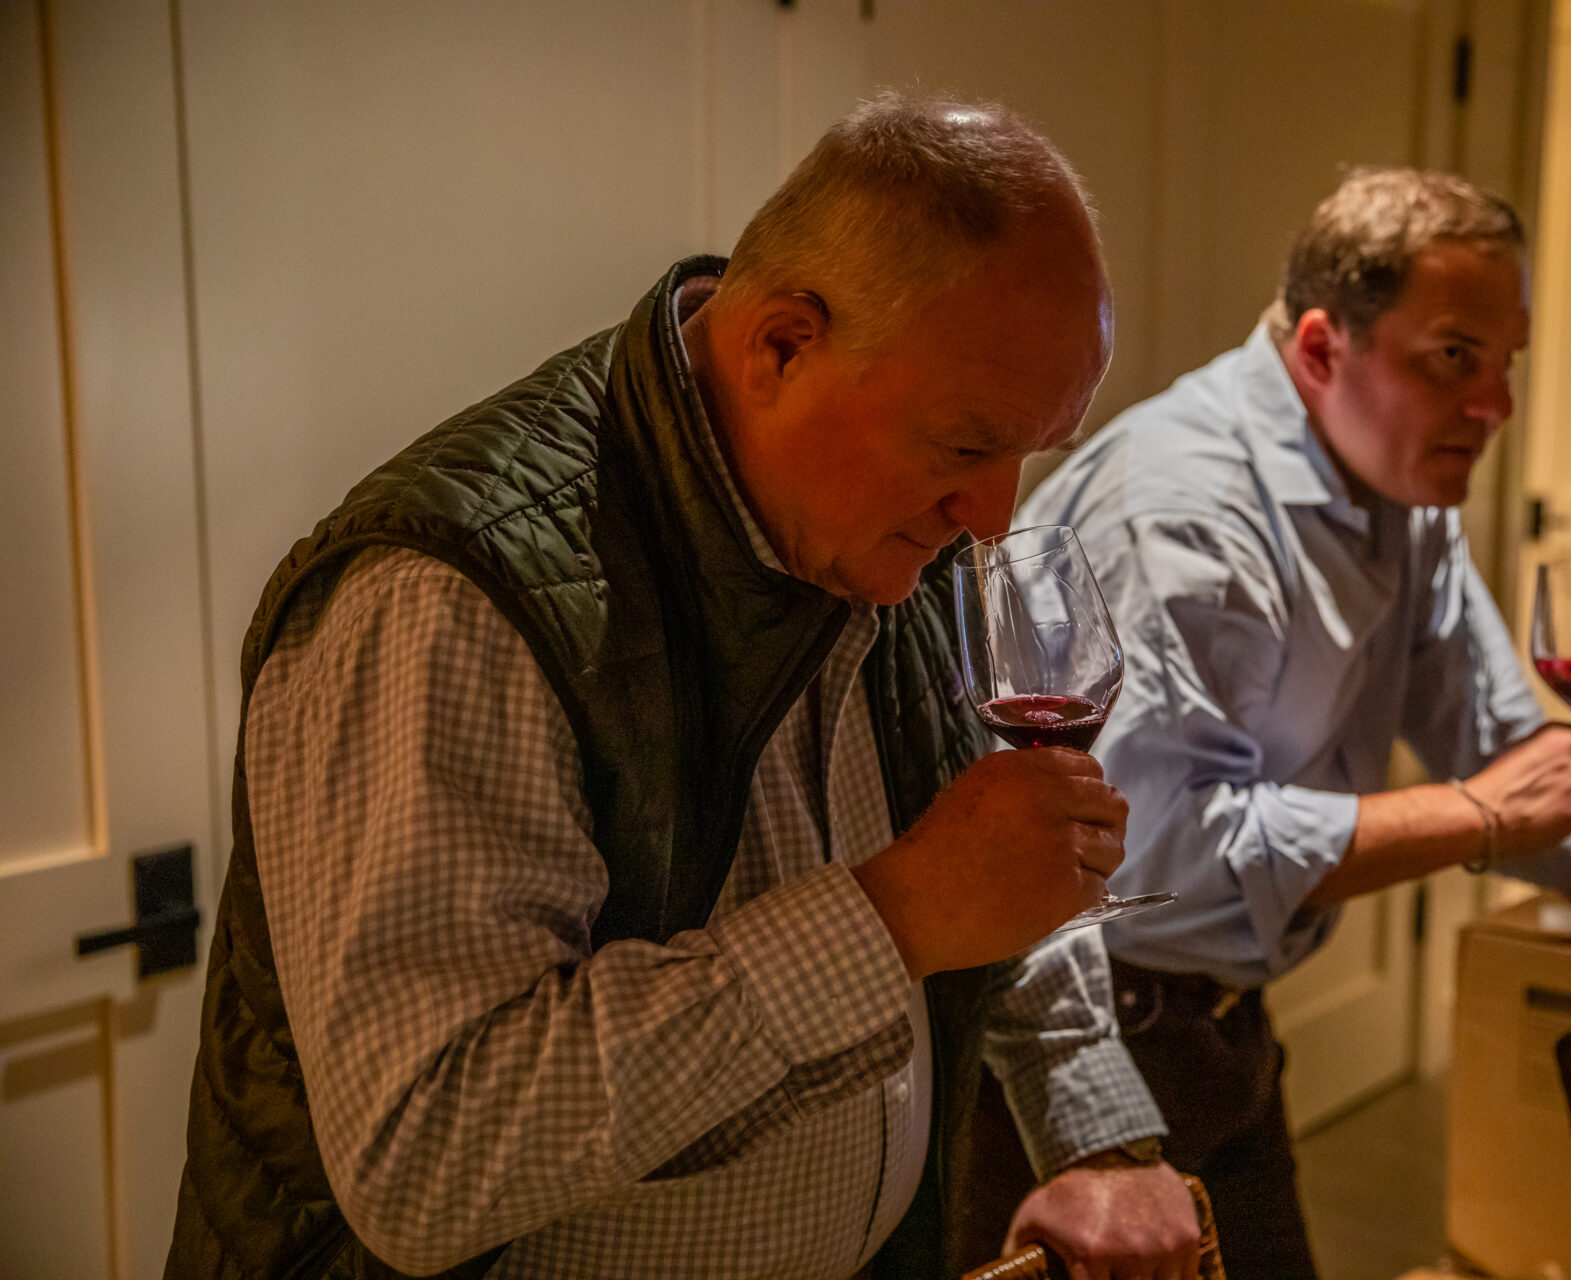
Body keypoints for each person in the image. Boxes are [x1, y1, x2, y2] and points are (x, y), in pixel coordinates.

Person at [163, 94, 1201, 1280]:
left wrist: (1097, 1129)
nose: (997, 516)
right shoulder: (450, 595)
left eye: (1035, 452)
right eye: (967, 445)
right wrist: (890, 915)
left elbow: (992, 854)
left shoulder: (880, 527)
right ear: (780, 346)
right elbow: (425, 1158)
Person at [989, 168, 1571, 1277]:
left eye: (1505, 362)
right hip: (1079, 1039)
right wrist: (1477, 817)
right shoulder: (1184, 512)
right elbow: (1157, 851)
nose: (1496, 403)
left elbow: (1485, 717)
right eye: (1454, 356)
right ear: (1319, 346)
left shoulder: (1402, 483)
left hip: (1222, 1021)